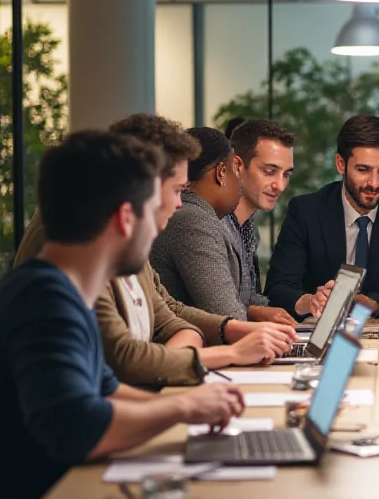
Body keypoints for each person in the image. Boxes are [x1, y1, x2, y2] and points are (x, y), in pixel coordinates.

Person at [0, 131, 245, 499]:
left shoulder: (60, 291)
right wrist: (184, 406)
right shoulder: (44, 301)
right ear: (126, 218)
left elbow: (105, 390)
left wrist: (191, 409)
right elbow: (79, 428)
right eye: (153, 206)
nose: (164, 221)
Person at [15, 115, 296, 388]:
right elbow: (124, 363)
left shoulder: (124, 242)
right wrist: (225, 353)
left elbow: (167, 315)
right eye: (176, 189)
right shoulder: (83, 245)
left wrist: (177, 360)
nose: (178, 203)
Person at [265, 114, 379, 319]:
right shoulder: (306, 210)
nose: (375, 183)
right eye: (363, 170)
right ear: (341, 164)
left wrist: (371, 304)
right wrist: (309, 301)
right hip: (320, 333)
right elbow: (277, 288)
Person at [150, 127, 256, 321]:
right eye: (235, 169)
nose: (240, 181)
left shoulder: (201, 216)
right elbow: (227, 315)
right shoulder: (193, 220)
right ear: (222, 172)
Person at [224, 119, 296, 326]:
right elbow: (222, 312)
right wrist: (257, 312)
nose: (280, 186)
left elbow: (248, 297)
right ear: (237, 166)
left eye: (286, 174)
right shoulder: (213, 221)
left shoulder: (246, 224)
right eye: (270, 172)